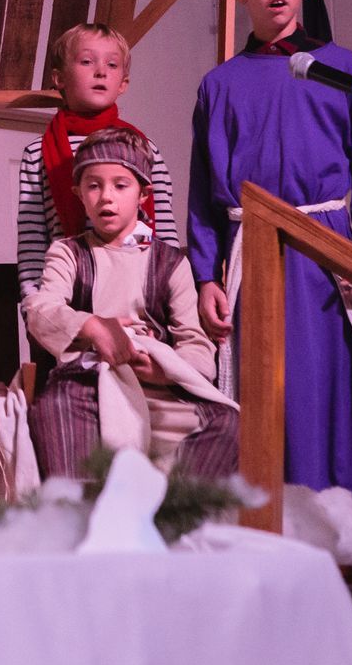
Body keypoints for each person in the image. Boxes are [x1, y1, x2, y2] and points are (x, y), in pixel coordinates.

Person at [188, 0, 352, 500]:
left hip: (326, 260)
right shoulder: (220, 85)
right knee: (265, 399)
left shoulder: (341, 69)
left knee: (330, 398)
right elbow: (203, 192)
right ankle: (268, 531)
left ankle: (345, 538)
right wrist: (206, 275)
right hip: (253, 257)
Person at [22, 129, 238, 478]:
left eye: (120, 185)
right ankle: (84, 521)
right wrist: (94, 328)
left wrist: (162, 371)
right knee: (53, 409)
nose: (106, 197)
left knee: (227, 423)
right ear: (78, 194)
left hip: (158, 391)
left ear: (143, 194)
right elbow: (41, 309)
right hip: (87, 387)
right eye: (94, 186)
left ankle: (170, 520)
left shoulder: (169, 263)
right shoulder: (69, 254)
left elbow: (195, 343)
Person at [16, 23, 179, 299]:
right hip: (70, 294)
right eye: (87, 61)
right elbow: (32, 240)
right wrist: (35, 304)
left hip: (137, 292)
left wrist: (166, 297)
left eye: (112, 65)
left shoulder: (144, 150)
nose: (101, 71)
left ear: (123, 84)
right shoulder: (38, 154)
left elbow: (162, 229)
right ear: (59, 79)